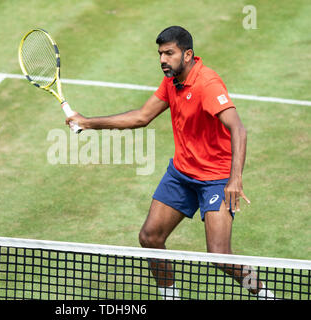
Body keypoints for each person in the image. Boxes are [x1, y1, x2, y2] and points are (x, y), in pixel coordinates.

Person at [66, 26, 274, 300]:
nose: (163, 60)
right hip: (182, 174)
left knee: (220, 255)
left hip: (216, 178)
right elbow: (141, 117)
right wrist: (88, 122)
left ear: (187, 54)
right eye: (160, 54)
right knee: (150, 237)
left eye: (169, 53)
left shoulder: (207, 84)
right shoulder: (171, 81)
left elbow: (238, 129)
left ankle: (266, 295)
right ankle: (170, 295)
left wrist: (235, 179)